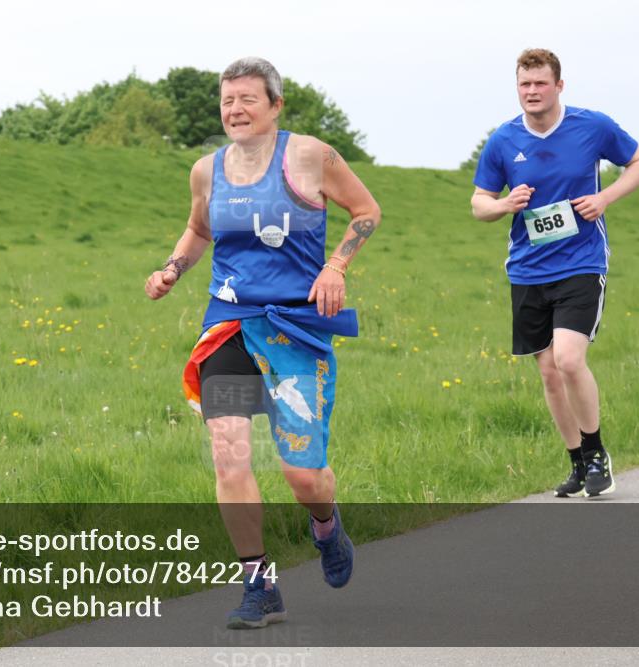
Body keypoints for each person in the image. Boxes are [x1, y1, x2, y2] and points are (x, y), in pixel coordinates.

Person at [145, 57, 381, 628]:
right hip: (229, 325)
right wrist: (174, 268)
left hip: (295, 326)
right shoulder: (207, 170)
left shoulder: (308, 155)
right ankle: (259, 584)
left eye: (248, 99)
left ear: (276, 105)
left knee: (304, 477)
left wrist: (336, 268)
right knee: (229, 452)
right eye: (227, 101)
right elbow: (200, 229)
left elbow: (366, 211)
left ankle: (325, 525)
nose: (235, 110)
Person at [470, 48, 639, 499]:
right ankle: (577, 464)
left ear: (558, 86)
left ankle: (596, 455)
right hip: (527, 268)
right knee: (549, 372)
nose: (531, 92)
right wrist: (504, 205)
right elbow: (479, 204)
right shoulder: (503, 140)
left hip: (582, 261)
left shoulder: (591, 126)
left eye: (540, 83)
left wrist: (605, 199)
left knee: (570, 359)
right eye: (524, 84)